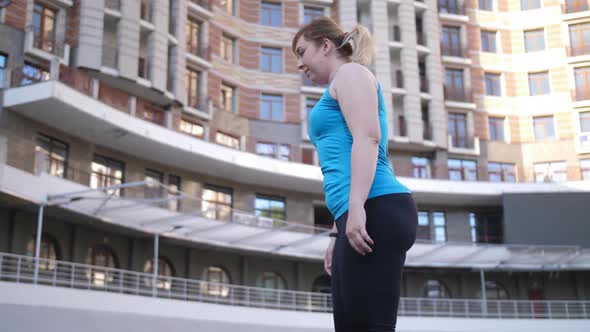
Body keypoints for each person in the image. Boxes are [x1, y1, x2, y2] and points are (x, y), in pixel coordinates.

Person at [292, 17, 418, 331]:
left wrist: (358, 207)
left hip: (377, 205)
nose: (299, 64)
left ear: (325, 46)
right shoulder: (340, 83)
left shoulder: (351, 73)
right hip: (360, 209)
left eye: (301, 52)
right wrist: (337, 231)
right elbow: (345, 160)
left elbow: (367, 137)